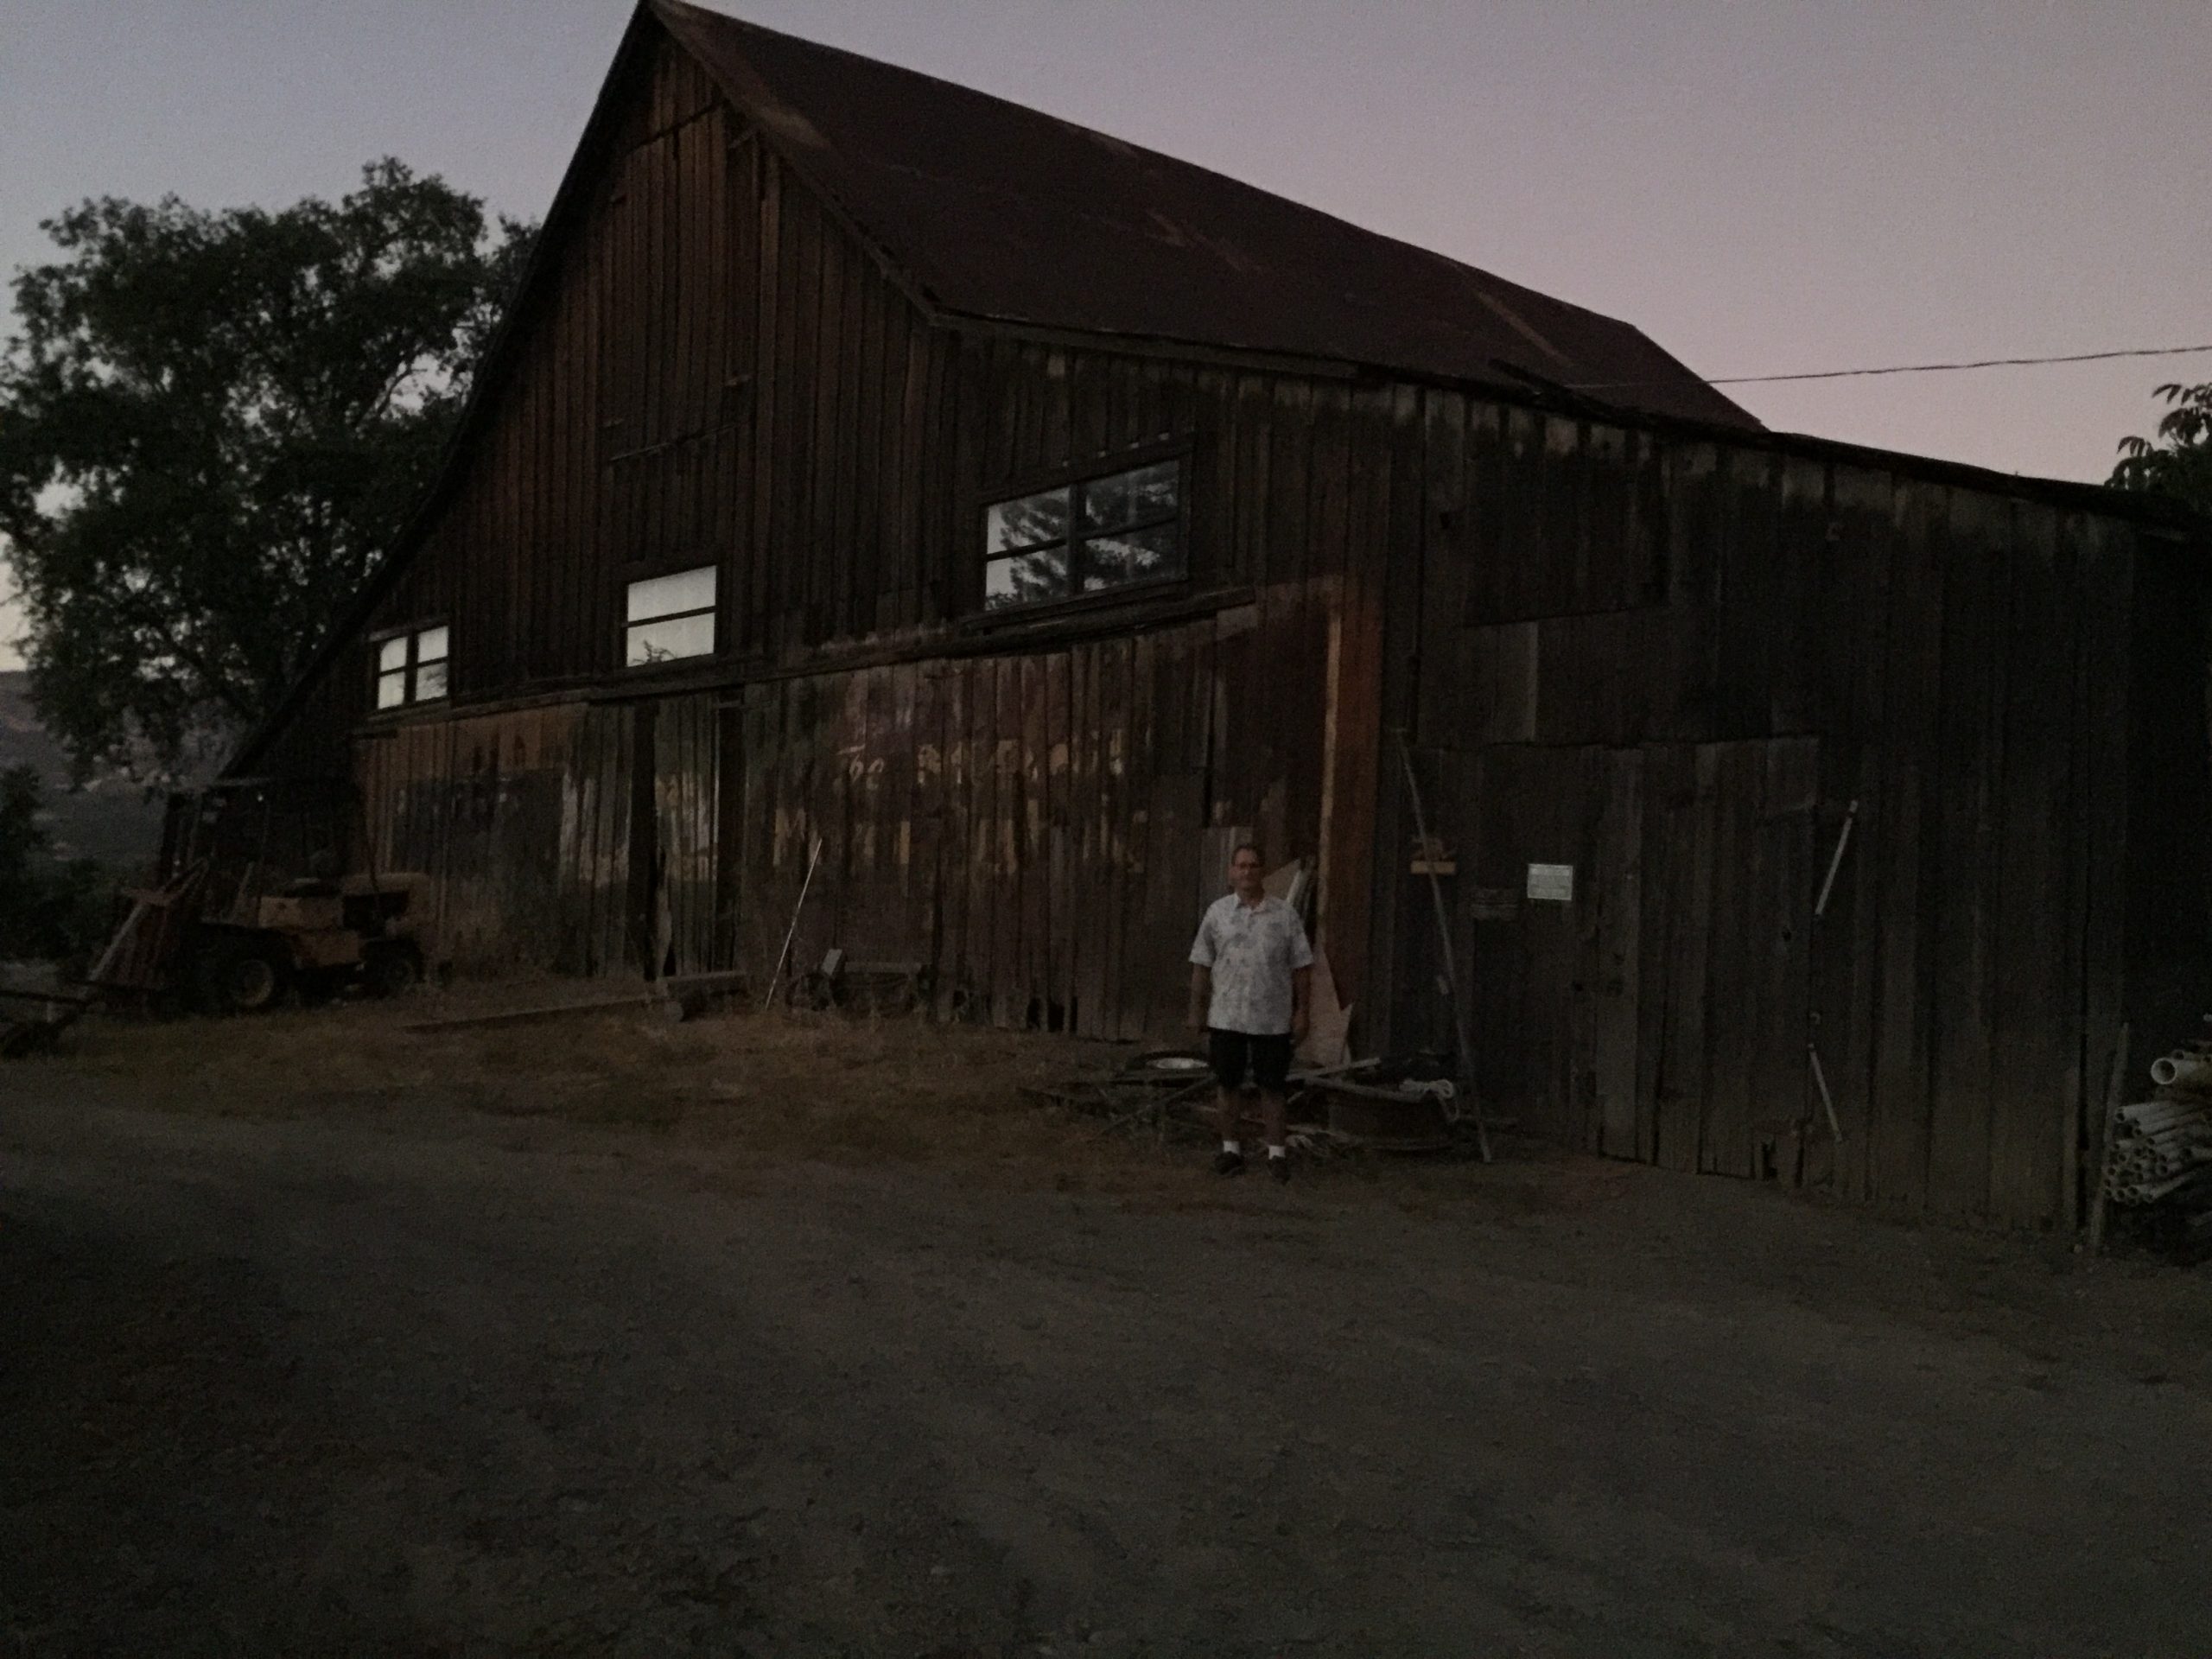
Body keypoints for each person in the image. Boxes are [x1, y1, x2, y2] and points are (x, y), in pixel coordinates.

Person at [1186, 843, 1313, 1181]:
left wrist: (1302, 1012)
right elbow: (1201, 964)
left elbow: (1302, 967)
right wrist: (1196, 1010)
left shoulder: (1285, 915)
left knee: (1272, 1087)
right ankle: (1231, 1150)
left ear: (1262, 871)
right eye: (1241, 866)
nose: (1247, 872)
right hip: (1227, 1016)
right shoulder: (1217, 914)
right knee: (1227, 1085)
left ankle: (1277, 1154)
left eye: (1253, 865)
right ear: (1232, 872)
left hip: (1271, 1019)